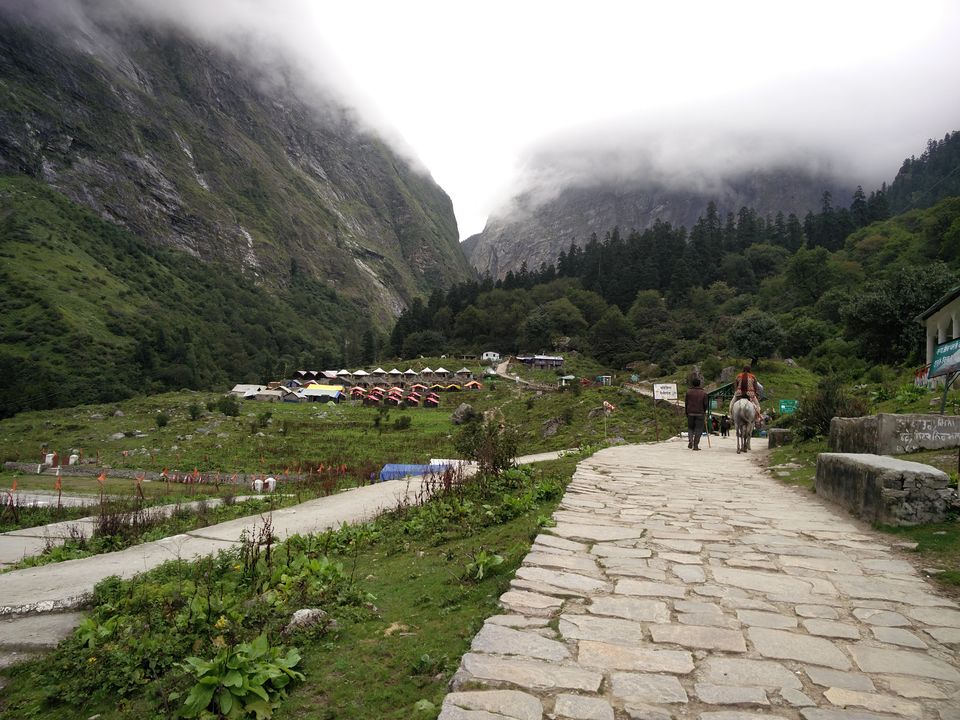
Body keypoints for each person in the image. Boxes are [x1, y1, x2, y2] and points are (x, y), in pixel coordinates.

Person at [684, 377, 708, 450]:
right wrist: (704, 411)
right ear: (699, 384)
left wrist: (686, 412)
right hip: (700, 413)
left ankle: (690, 441)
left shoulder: (688, 392)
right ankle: (696, 445)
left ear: (692, 384)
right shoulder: (703, 393)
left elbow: (686, 403)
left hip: (690, 413)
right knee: (699, 429)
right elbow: (705, 404)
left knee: (690, 428)